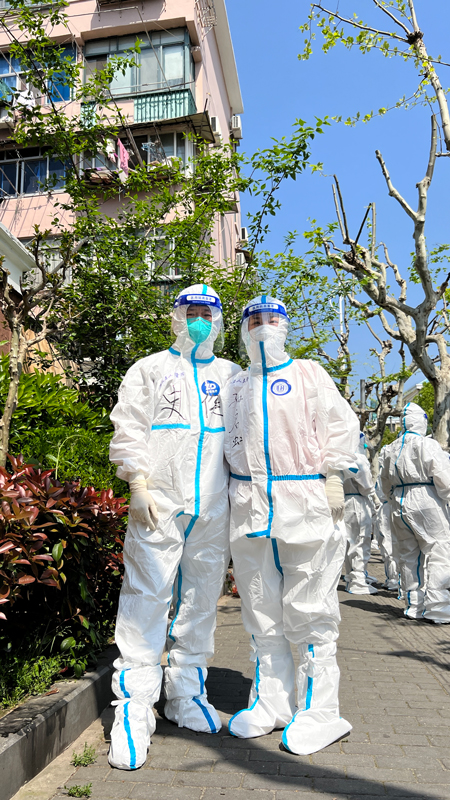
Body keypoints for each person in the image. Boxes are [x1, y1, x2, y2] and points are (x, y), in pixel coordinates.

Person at [108, 284, 240, 770]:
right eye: (192, 311)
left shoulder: (232, 376)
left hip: (214, 504)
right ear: (177, 316)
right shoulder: (149, 368)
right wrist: (137, 482)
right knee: (147, 596)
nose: (200, 320)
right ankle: (134, 707)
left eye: (208, 313)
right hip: (160, 501)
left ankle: (186, 692)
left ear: (219, 321)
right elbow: (129, 426)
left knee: (202, 600)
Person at [223, 295, 360, 756]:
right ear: (243, 329)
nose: (262, 327)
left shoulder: (308, 374)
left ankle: (321, 711)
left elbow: (340, 425)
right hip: (249, 504)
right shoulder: (236, 385)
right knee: (261, 608)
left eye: (271, 319)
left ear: (285, 326)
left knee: (311, 607)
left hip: (305, 501)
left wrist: (335, 475)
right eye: (254, 321)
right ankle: (272, 702)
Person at [380, 402, 450, 623]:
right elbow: (444, 477)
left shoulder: (389, 449)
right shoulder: (427, 445)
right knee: (439, 550)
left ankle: (414, 606)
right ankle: (438, 607)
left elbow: (384, 483)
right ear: (421, 421)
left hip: (399, 502)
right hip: (427, 498)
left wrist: (393, 499)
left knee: (409, 555)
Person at [343, 433, 381, 595]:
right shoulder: (358, 459)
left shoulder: (341, 457)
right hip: (358, 502)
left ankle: (351, 576)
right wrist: (374, 497)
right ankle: (358, 579)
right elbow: (365, 487)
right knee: (361, 541)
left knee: (349, 542)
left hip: (345, 501)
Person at [373, 446, 399, 592]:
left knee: (389, 543)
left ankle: (393, 578)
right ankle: (398, 579)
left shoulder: (383, 472)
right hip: (394, 505)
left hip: (388, 506)